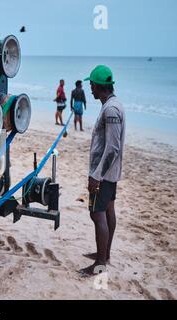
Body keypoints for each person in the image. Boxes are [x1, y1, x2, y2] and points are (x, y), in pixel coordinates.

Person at [79, 65, 126, 277]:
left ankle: (100, 263)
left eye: (92, 85)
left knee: (97, 213)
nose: (90, 89)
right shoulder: (112, 104)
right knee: (108, 210)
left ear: (100, 86)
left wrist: (96, 176)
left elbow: (113, 148)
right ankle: (104, 255)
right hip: (109, 173)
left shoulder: (111, 109)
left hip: (104, 174)